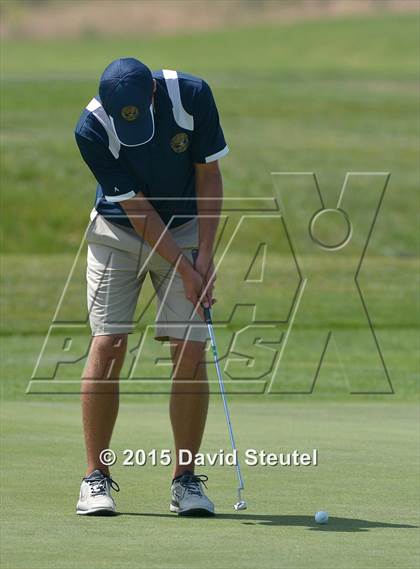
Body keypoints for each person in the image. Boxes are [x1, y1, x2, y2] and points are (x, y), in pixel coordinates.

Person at [74, 57, 228, 516]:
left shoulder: (193, 96)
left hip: (184, 227)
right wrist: (184, 268)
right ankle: (94, 478)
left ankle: (185, 481)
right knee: (109, 343)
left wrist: (204, 254)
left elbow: (209, 175)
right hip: (118, 233)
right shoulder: (91, 129)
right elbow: (137, 210)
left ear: (154, 97)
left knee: (189, 349)